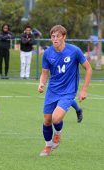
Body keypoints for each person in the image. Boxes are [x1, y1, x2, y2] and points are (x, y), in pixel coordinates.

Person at [38, 25, 92, 156]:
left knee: (56, 119)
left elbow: (89, 69)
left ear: (64, 37)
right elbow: (45, 73)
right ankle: (48, 146)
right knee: (47, 120)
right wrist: (41, 83)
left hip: (68, 91)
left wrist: (84, 90)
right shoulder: (48, 53)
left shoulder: (74, 51)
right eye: (52, 36)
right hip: (52, 90)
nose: (55, 39)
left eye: (58, 36)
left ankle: (57, 134)